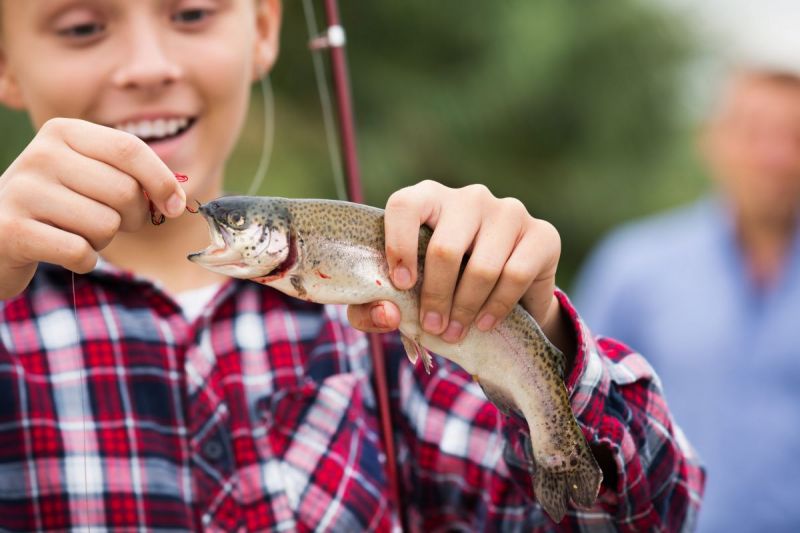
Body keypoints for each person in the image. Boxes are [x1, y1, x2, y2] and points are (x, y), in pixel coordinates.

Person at [0, 1, 703, 530]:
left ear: (264, 29)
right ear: (5, 64)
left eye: (191, 13)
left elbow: (649, 512)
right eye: (82, 27)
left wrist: (535, 325)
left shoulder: (384, 329)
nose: (148, 65)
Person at [573, 68, 800, 532]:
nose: (774, 156)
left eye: (793, 136)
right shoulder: (633, 266)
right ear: (711, 140)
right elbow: (578, 403)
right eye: (754, 133)